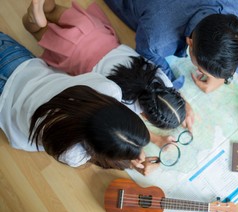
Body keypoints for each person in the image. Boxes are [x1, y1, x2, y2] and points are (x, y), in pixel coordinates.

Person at [23, 0, 194, 148]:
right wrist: (158, 140)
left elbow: (169, 91)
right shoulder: (127, 106)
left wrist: (183, 107)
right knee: (35, 28)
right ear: (146, 117)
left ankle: (44, 8)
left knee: (52, 10)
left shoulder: (161, 80)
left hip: (93, 31)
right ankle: (34, 19)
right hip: (73, 52)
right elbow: (132, 131)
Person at [0, 32, 158, 175]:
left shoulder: (108, 90)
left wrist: (129, 150)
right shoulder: (71, 152)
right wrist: (126, 160)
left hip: (14, 61)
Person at [103, 0, 238, 93]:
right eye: (201, 69)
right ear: (190, 42)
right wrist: (172, 88)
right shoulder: (156, 39)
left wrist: (225, 76)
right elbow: (149, 56)